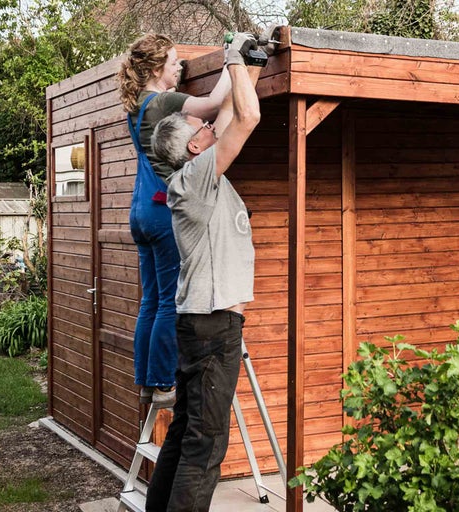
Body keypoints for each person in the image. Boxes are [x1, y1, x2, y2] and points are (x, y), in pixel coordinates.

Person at [144, 33, 265, 512]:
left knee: (185, 434)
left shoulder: (197, 175)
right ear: (196, 145)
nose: (213, 125)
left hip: (201, 323)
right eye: (204, 125)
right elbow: (248, 118)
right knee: (206, 443)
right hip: (214, 325)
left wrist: (252, 62)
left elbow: (233, 113)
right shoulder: (196, 179)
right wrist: (232, 55)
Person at [117, 33, 231, 406]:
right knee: (170, 299)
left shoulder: (136, 106)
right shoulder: (161, 100)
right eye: (173, 62)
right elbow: (214, 103)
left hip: (140, 210)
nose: (179, 66)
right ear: (155, 69)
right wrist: (233, 59)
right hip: (162, 207)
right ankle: (165, 383)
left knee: (150, 299)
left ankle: (147, 381)